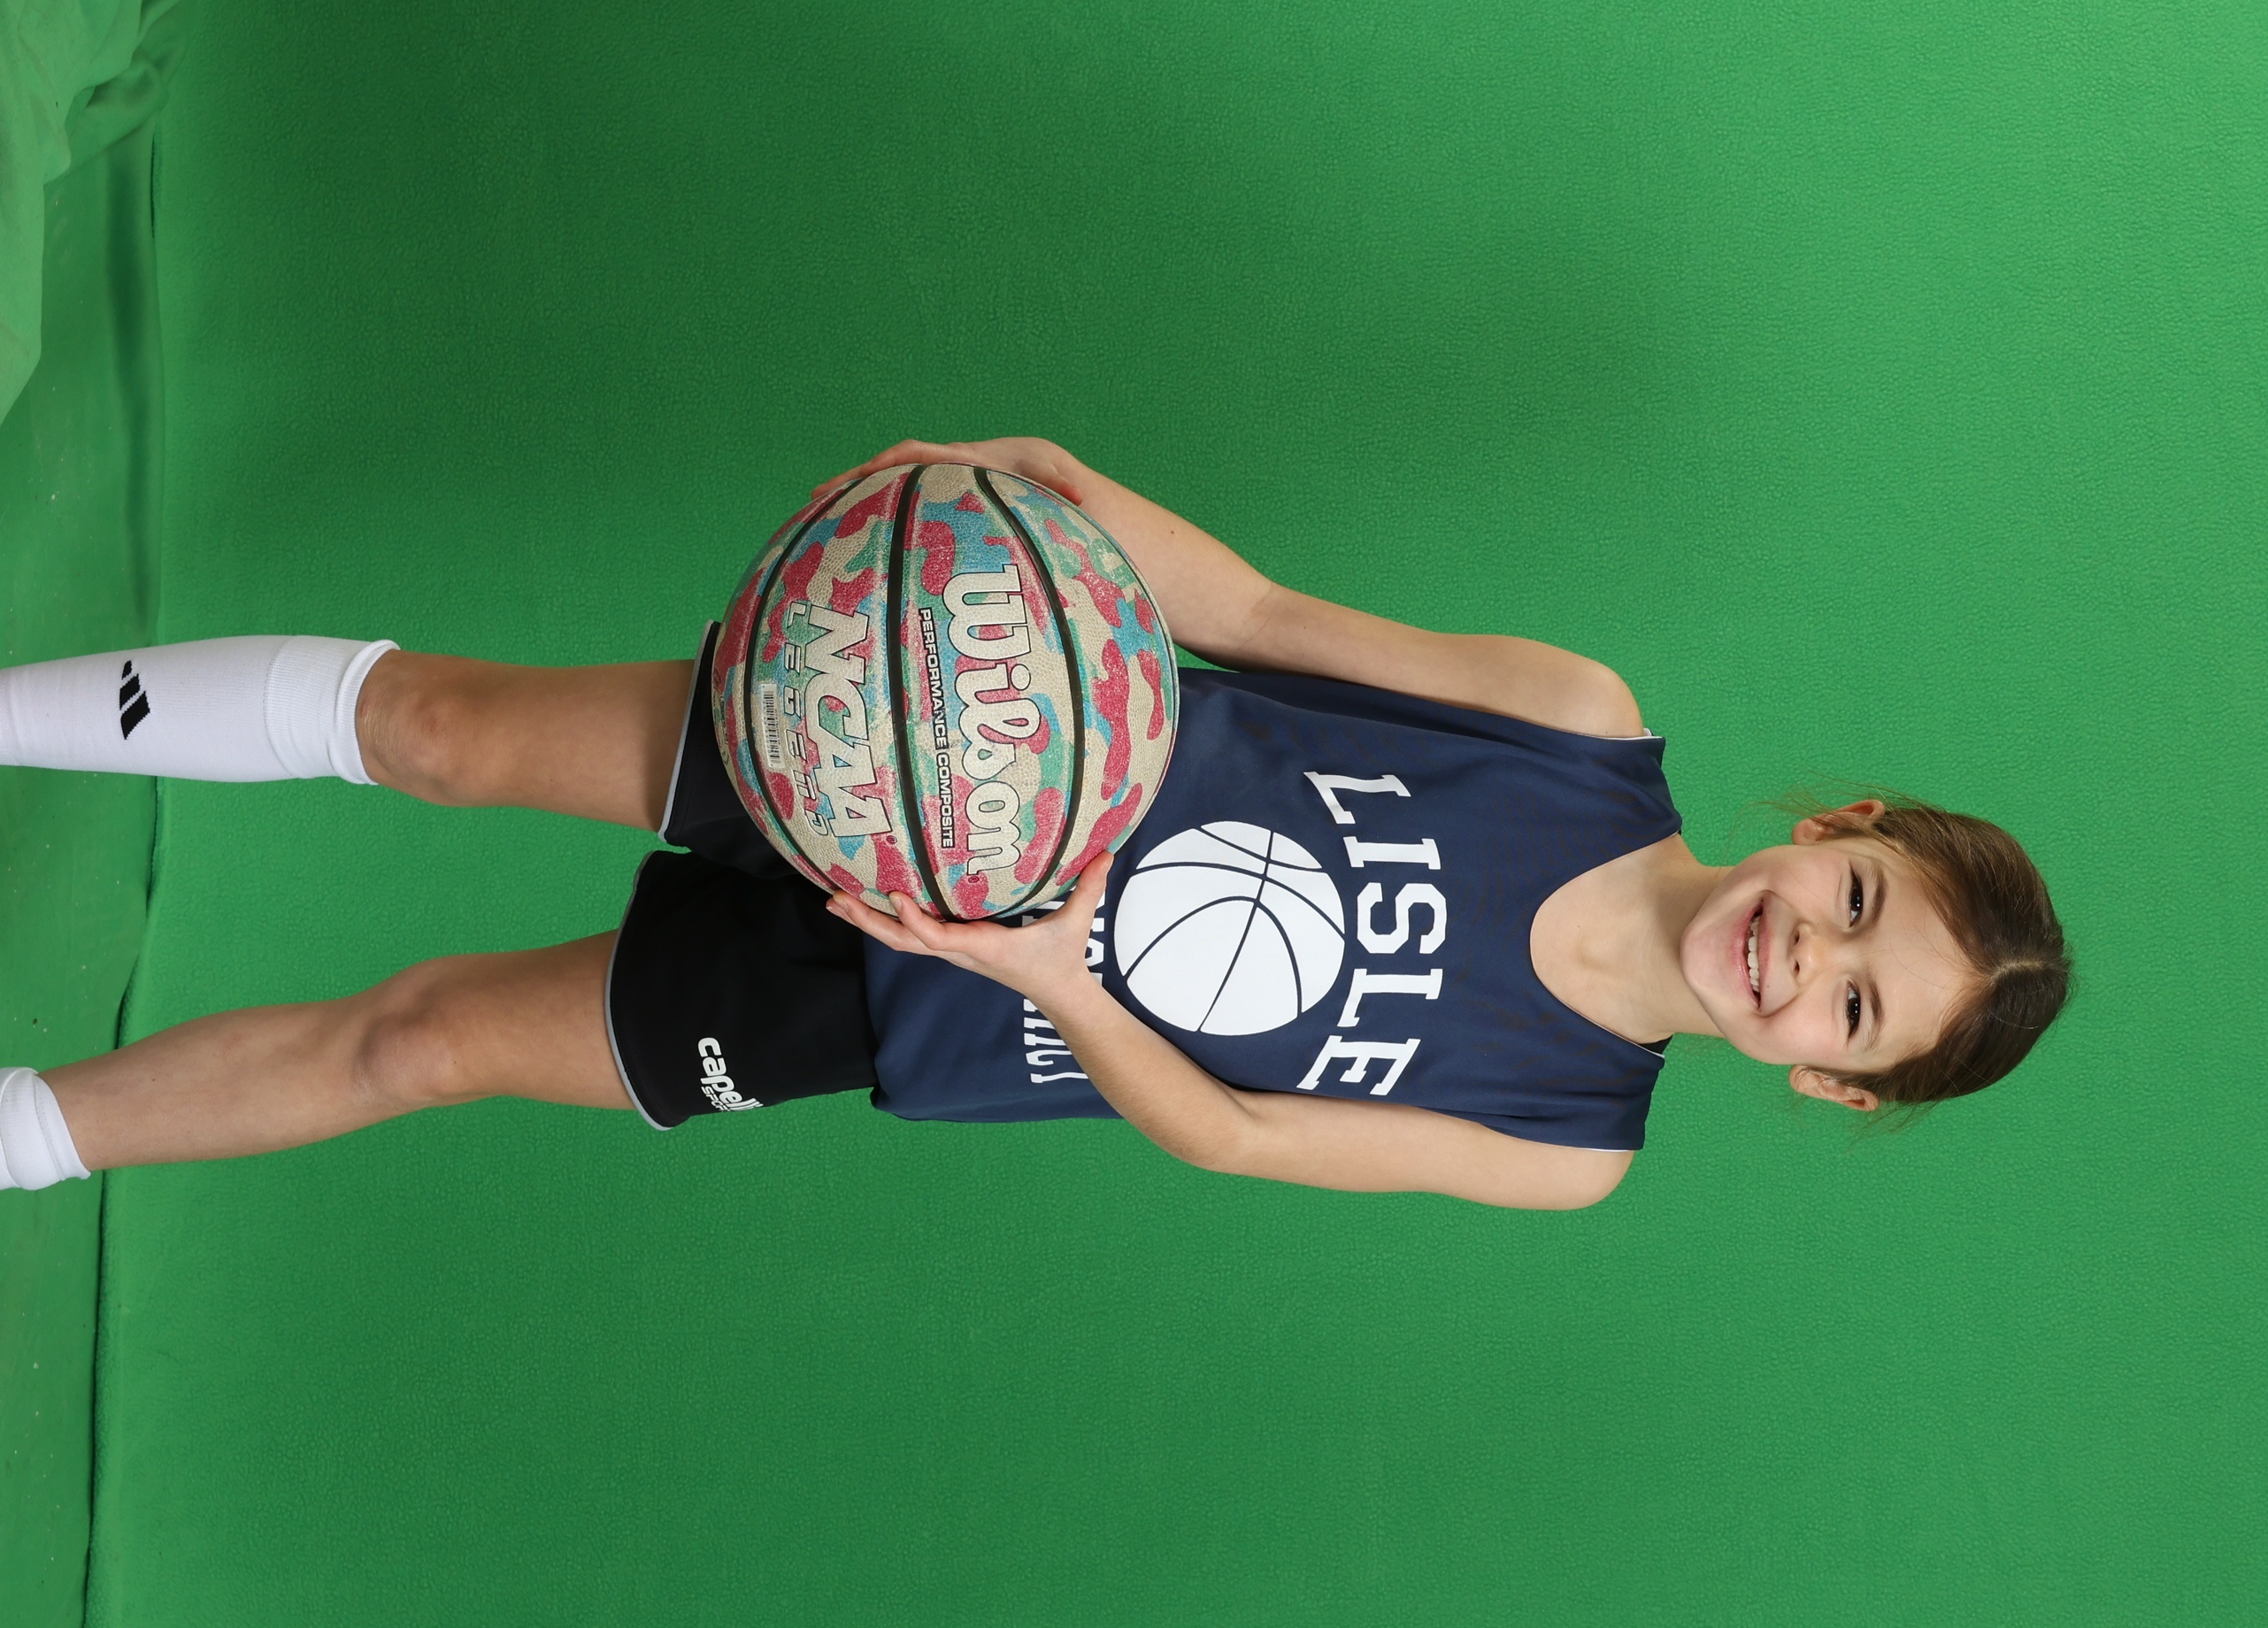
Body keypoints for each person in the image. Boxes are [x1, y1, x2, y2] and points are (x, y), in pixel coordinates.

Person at [0, 439, 2070, 1209]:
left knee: (425, 1039)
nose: (1808, 955)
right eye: (1854, 897)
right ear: (1840, 820)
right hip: (914, 734)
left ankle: (20, 1137)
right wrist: (1037, 485)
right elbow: (1257, 616)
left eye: (1855, 1007)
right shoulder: (1579, 726)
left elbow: (1248, 1134)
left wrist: (1042, 965)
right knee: (445, 732)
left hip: (929, 1000)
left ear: (1834, 1082)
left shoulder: (1568, 1141)